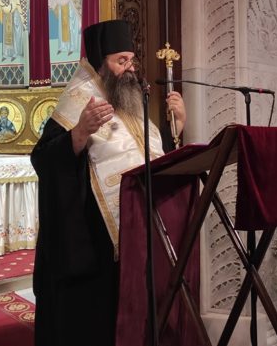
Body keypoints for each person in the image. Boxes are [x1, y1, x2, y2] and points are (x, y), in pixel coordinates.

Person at [30, 19, 186, 346]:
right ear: (101, 65)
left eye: (132, 60)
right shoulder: (78, 100)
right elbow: (43, 159)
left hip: (136, 226)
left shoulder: (129, 102)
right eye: (121, 61)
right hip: (94, 242)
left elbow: (147, 157)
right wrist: (79, 133)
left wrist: (178, 128)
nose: (130, 69)